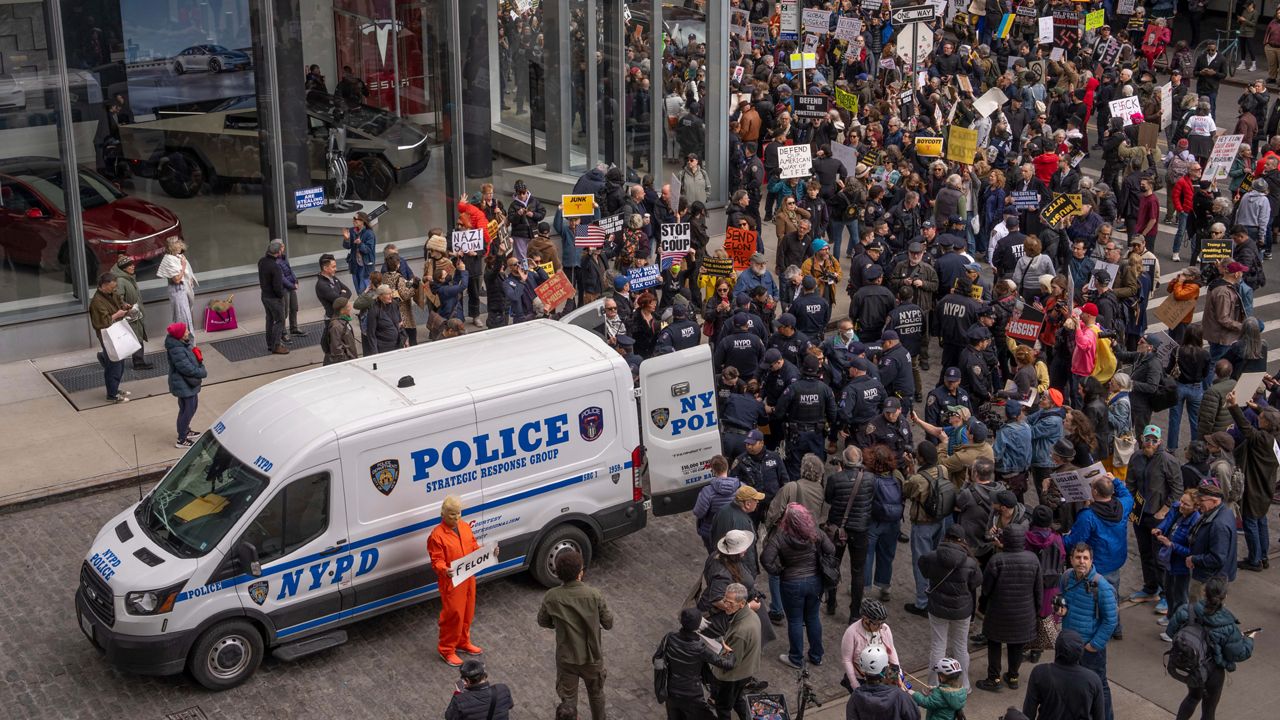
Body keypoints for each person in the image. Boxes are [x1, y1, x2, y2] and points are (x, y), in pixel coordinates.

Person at [1165, 577, 1256, 720]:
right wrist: (1249, 639)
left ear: (1204, 592)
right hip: (1213, 672)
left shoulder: (1187, 610)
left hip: (1193, 665)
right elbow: (1239, 654)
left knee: (1192, 697)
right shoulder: (1228, 626)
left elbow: (1170, 632)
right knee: (1209, 710)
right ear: (1224, 597)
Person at [537, 548, 612, 720]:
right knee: (596, 694)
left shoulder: (552, 596)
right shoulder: (594, 595)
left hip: (567, 658)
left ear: (558, 574)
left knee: (568, 701)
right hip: (592, 658)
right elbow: (608, 623)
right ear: (580, 573)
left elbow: (543, 621)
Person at [761, 502, 833, 669]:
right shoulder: (816, 533)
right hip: (815, 581)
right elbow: (831, 550)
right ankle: (816, 656)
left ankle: (796, 657)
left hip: (791, 583)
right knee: (813, 617)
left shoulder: (780, 537)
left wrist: (778, 571)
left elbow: (766, 559)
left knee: (795, 620)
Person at [976, 526, 1043, 693]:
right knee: (1016, 645)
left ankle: (994, 678)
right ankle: (1013, 677)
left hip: (998, 612)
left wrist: (982, 605)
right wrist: (1037, 610)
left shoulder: (997, 560)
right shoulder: (1033, 559)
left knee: (994, 643)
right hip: (1024, 613)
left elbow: (986, 588)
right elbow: (1038, 589)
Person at [1057, 543, 1119, 720]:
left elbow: (1111, 620)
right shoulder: (1067, 577)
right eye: (1078, 557)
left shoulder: (1102, 586)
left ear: (1091, 561)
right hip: (1069, 645)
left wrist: (1094, 645)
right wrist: (1061, 609)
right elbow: (1063, 598)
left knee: (1099, 686)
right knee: (1071, 683)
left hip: (1090, 649)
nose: (1081, 562)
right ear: (1071, 560)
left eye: (1085, 558)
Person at [918, 525, 981, 691]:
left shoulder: (932, 557)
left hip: (937, 608)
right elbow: (976, 583)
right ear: (962, 540)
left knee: (938, 645)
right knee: (960, 646)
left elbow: (923, 568)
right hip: (962, 610)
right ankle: (964, 685)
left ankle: (933, 685)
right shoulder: (970, 562)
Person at [1127, 425, 1183, 604]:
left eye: (1153, 440)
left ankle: (1166, 594)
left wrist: (1164, 510)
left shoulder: (1168, 460)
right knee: (1145, 552)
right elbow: (1130, 484)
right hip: (1140, 513)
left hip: (1159, 516)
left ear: (1159, 442)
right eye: (1147, 439)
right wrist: (1129, 505)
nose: (1149, 443)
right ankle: (1150, 587)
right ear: (1142, 439)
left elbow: (1177, 490)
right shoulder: (1136, 457)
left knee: (1160, 556)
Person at [1225, 391, 1280, 571]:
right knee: (1261, 521)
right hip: (1266, 487)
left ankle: (1254, 559)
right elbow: (1271, 420)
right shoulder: (1275, 437)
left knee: (1250, 523)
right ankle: (1263, 556)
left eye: (1261, 417)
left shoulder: (1261, 439)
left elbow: (1245, 427)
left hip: (1254, 488)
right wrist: (1258, 409)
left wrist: (1233, 406)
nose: (1259, 419)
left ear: (1266, 423)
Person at [428, 496, 485, 667]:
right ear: (443, 514)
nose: (456, 517)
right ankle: (446, 649)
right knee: (453, 615)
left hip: (468, 577)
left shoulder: (465, 527)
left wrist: (487, 552)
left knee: (468, 611)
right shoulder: (436, 536)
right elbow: (436, 560)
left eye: (458, 513)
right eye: (452, 514)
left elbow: (473, 546)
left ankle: (462, 641)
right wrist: (444, 570)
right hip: (451, 582)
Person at [824, 446, 875, 621]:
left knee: (833, 565)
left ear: (844, 462)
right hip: (860, 529)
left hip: (838, 529)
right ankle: (854, 613)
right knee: (858, 571)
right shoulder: (870, 478)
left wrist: (839, 475)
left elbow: (829, 499)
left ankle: (831, 602)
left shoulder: (834, 479)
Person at [656, 607, 737, 720]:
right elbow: (727, 664)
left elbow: (657, 659)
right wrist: (730, 652)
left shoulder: (669, 638)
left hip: (671, 690)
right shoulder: (699, 648)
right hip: (691, 694)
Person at [902, 442, 953, 618]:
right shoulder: (942, 470)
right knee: (937, 560)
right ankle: (935, 595)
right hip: (941, 520)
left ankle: (922, 602)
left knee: (922, 562)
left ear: (921, 458)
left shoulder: (918, 479)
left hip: (923, 524)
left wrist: (910, 467)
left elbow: (907, 490)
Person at [1021, 630, 1106, 720]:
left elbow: (1028, 713)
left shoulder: (1039, 673)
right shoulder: (1093, 679)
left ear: (1057, 649)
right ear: (1080, 652)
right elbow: (1099, 716)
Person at [709, 583, 761, 720]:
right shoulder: (751, 615)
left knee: (723, 707)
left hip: (732, 677)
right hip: (746, 670)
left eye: (730, 603)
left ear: (742, 603)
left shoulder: (740, 632)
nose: (726, 605)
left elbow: (730, 661)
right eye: (725, 600)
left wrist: (715, 650)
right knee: (738, 700)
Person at [1155, 488, 1201, 626]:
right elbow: (1168, 522)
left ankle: (1178, 625)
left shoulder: (1195, 522)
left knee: (1180, 596)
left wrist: (1171, 545)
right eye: (1182, 501)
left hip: (1182, 565)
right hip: (1170, 561)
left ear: (1195, 507)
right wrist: (1160, 529)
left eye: (1186, 504)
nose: (1181, 505)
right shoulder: (1177, 510)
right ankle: (1170, 616)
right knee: (1168, 589)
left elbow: (1192, 551)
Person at [88, 273, 132, 403]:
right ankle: (112, 394)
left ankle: (114, 388)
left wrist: (124, 306)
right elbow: (101, 323)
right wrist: (117, 314)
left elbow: (119, 301)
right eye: (112, 287)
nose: (115, 289)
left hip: (117, 333)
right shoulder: (96, 302)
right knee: (114, 365)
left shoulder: (110, 294)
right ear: (104, 285)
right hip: (108, 336)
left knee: (119, 362)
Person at [840, 599, 902, 690]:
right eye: (876, 624)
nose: (880, 627)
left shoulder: (884, 628)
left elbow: (891, 649)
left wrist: (898, 672)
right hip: (862, 678)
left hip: (883, 676)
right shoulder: (851, 633)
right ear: (865, 619)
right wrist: (854, 684)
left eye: (882, 623)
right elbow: (847, 660)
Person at [162, 321, 206, 448]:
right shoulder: (177, 349)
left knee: (191, 407)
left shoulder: (181, 345)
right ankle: (182, 439)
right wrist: (200, 371)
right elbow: (185, 368)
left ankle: (186, 430)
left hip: (185, 384)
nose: (188, 332)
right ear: (180, 335)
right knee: (187, 409)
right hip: (183, 384)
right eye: (185, 331)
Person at [844, 644, 917, 720]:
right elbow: (913, 716)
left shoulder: (855, 698)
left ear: (863, 671)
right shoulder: (899, 696)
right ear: (885, 669)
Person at [110, 256, 151, 370]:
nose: (133, 266)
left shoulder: (128, 277)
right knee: (133, 337)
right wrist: (126, 307)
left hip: (134, 313)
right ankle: (139, 362)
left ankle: (139, 361)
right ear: (123, 268)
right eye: (130, 265)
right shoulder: (121, 280)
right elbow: (118, 298)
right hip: (130, 315)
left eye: (133, 264)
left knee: (133, 337)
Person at [692, 456, 739, 552]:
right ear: (727, 467)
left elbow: (699, 512)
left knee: (715, 558)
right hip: (735, 529)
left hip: (712, 532)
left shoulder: (707, 491)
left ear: (713, 470)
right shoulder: (741, 487)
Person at [444, 659, 514, 720]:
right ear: (485, 675)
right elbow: (510, 705)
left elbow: (449, 717)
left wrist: (458, 693)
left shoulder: (460, 700)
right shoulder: (502, 689)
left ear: (467, 680)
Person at [156, 237, 197, 335]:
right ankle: (183, 340)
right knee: (182, 317)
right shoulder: (169, 260)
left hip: (184, 289)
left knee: (187, 315)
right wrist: (183, 266)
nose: (180, 248)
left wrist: (189, 278)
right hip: (177, 290)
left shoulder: (178, 256)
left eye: (180, 246)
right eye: (178, 247)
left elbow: (187, 271)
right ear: (172, 248)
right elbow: (177, 280)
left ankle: (189, 342)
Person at [258, 239, 289, 355]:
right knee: (280, 320)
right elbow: (277, 286)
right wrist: (281, 296)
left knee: (270, 319)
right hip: (274, 298)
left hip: (265, 295)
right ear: (278, 252)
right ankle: (276, 345)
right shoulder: (275, 267)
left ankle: (270, 344)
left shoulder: (262, 262)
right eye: (281, 249)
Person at [342, 211, 376, 293]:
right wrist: (346, 239)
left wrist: (360, 244)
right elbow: (347, 246)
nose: (353, 220)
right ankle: (362, 303)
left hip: (365, 265)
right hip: (355, 265)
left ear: (362, 221)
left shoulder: (369, 234)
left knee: (365, 289)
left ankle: (366, 304)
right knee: (358, 288)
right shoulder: (351, 231)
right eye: (353, 218)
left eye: (355, 219)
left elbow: (368, 249)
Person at [315, 253, 352, 319]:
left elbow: (349, 292)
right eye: (333, 267)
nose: (336, 269)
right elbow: (339, 301)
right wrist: (343, 292)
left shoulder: (334, 278)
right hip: (333, 319)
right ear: (325, 268)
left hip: (341, 317)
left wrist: (341, 295)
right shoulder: (322, 285)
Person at [323, 297, 359, 365]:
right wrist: (347, 362)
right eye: (348, 306)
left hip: (351, 359)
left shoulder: (344, 321)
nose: (351, 308)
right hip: (346, 363)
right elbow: (336, 350)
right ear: (342, 310)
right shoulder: (336, 326)